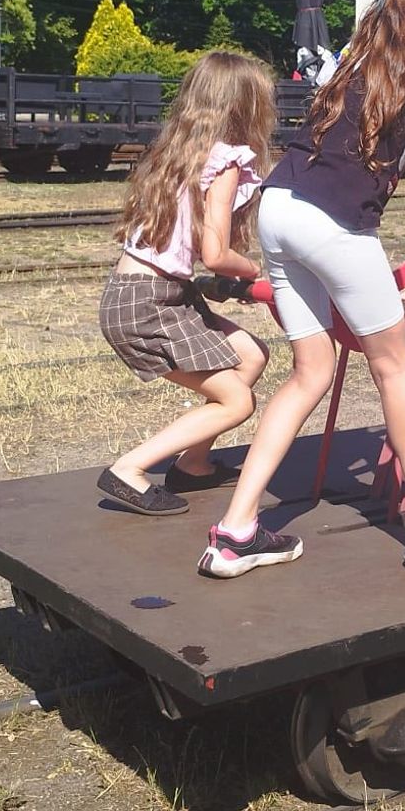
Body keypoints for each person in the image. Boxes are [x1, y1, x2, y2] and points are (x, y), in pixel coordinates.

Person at [199, 0, 405, 579]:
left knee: (311, 370)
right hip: (333, 225)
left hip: (279, 207)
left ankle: (235, 532)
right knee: (394, 370)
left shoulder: (359, 50)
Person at [97, 52, 276, 516]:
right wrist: (251, 270)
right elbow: (215, 253)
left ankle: (193, 464)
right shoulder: (227, 160)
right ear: (248, 108)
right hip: (150, 303)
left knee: (251, 354)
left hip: (144, 293)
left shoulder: (177, 150)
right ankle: (129, 469)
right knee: (238, 402)